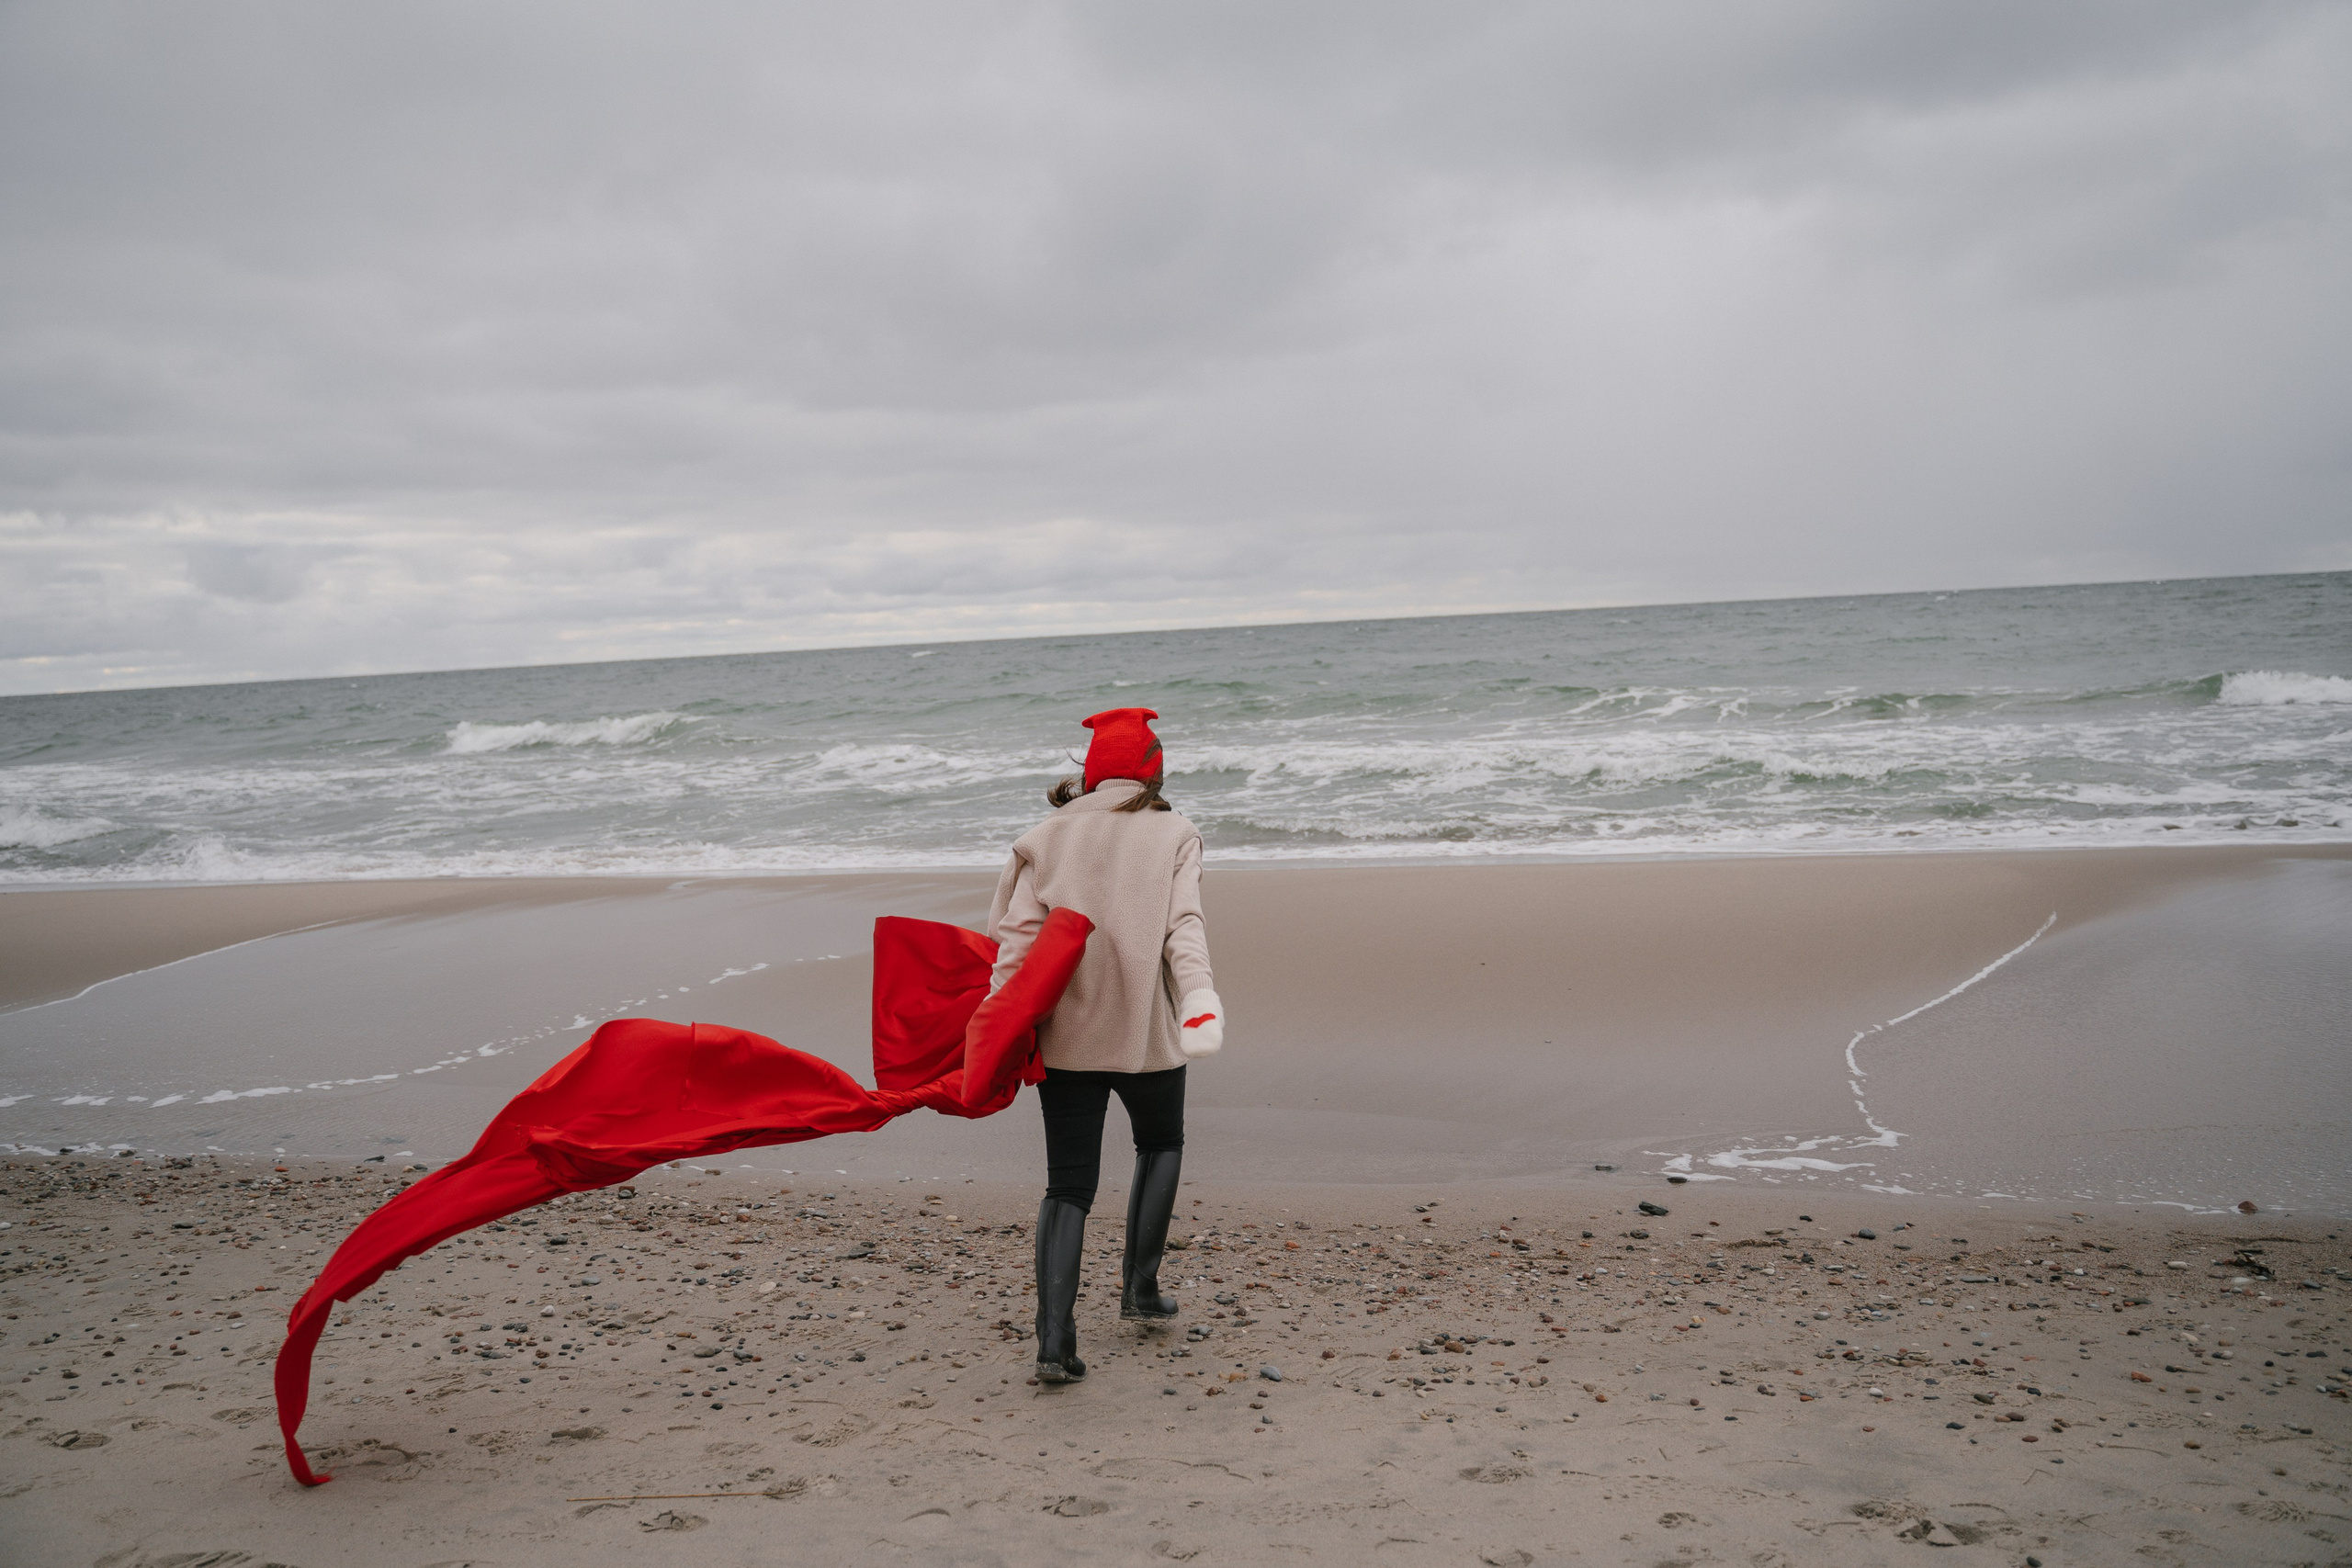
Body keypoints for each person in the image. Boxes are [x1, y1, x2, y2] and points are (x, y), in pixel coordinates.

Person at [987, 707, 1225, 1383]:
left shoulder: (1043, 836)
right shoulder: (1175, 833)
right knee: (1161, 1143)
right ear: (1154, 769)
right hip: (1145, 1033)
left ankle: (1054, 1339)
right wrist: (1200, 995)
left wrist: (1000, 1021)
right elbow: (1184, 926)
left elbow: (1016, 942)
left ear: (1088, 773)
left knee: (1067, 1184)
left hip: (1063, 1038)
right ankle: (1141, 1290)